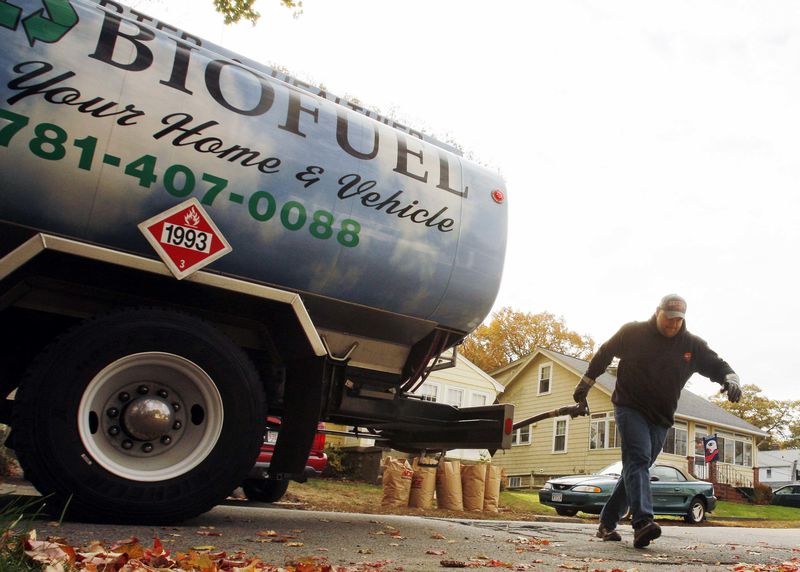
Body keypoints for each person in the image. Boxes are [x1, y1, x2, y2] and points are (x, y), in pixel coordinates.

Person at [572, 294, 741, 549]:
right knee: (638, 460)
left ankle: (607, 522)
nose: (673, 325)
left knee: (636, 468)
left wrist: (731, 379)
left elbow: (718, 365)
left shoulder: (691, 345)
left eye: (678, 321)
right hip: (630, 406)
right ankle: (643, 523)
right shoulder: (634, 333)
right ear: (657, 312)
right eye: (669, 319)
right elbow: (605, 353)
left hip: (661, 417)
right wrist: (585, 384)